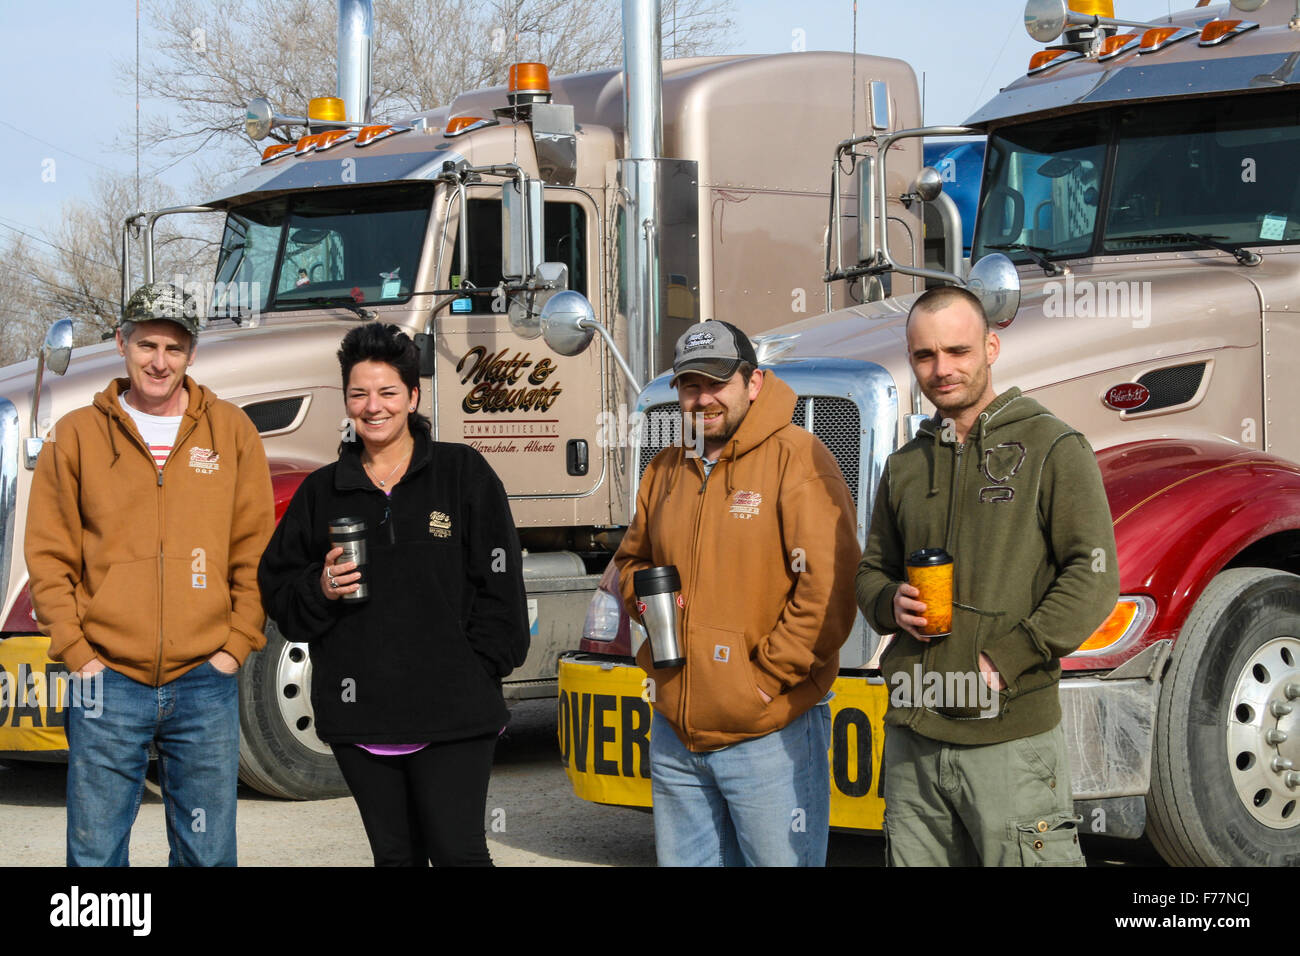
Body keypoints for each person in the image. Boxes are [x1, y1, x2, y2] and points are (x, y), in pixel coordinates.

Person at [856, 286, 1119, 866]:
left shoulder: (1053, 446)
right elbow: (872, 567)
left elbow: (1093, 576)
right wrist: (886, 602)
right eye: (925, 356)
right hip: (913, 736)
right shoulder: (905, 464)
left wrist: (1007, 658)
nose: (942, 369)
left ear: (992, 347)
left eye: (958, 351)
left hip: (1010, 738)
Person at [258, 322, 529, 867]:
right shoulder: (322, 492)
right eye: (359, 393)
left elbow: (502, 590)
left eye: (386, 392)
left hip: (455, 714)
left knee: (459, 854)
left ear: (413, 395)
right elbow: (281, 595)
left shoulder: (463, 475)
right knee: (394, 857)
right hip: (361, 718)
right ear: (346, 400)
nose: (372, 407)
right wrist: (321, 587)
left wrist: (473, 672)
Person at [25, 282, 275, 866]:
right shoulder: (77, 435)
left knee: (207, 854)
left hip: (205, 680)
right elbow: (50, 554)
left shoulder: (231, 432)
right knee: (94, 855)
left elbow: (255, 551)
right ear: (121, 343)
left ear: (191, 354)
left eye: (173, 347)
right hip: (105, 680)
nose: (159, 361)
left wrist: (236, 647)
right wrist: (78, 651)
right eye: (146, 345)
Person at [613, 320, 860, 866]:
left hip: (769, 733)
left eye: (716, 383)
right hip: (677, 732)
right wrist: (646, 603)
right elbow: (631, 562)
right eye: (689, 385)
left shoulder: (798, 457)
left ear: (753, 382)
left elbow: (829, 585)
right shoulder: (665, 469)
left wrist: (764, 682)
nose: (703, 399)